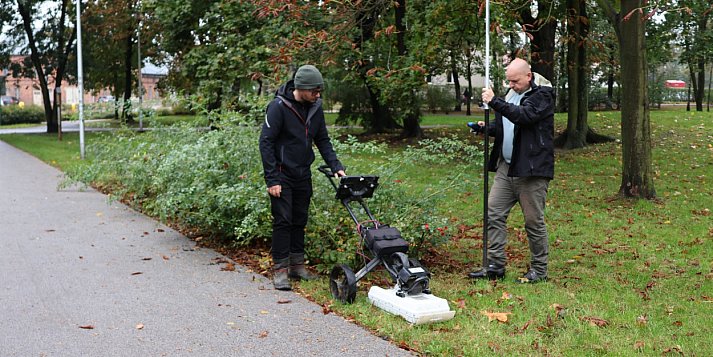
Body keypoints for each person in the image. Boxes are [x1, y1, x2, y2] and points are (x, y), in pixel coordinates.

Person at [468, 58, 555, 283]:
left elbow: (524, 117)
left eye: (515, 81)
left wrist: (495, 101)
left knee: (533, 221)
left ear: (528, 76)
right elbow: (507, 126)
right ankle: (495, 265)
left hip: (531, 170)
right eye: (508, 81)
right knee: (493, 213)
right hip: (507, 167)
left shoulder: (542, 96)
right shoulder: (510, 95)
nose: (511, 85)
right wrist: (485, 128)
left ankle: (539, 270)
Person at [259, 65, 346, 291]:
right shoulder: (278, 107)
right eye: (314, 91)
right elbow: (266, 143)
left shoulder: (315, 108)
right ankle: (280, 270)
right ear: (301, 88)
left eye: (319, 91)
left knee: (300, 219)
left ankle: (297, 266)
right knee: (283, 220)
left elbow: (323, 140)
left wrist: (336, 166)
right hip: (281, 175)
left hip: (302, 174)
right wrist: (272, 179)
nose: (318, 95)